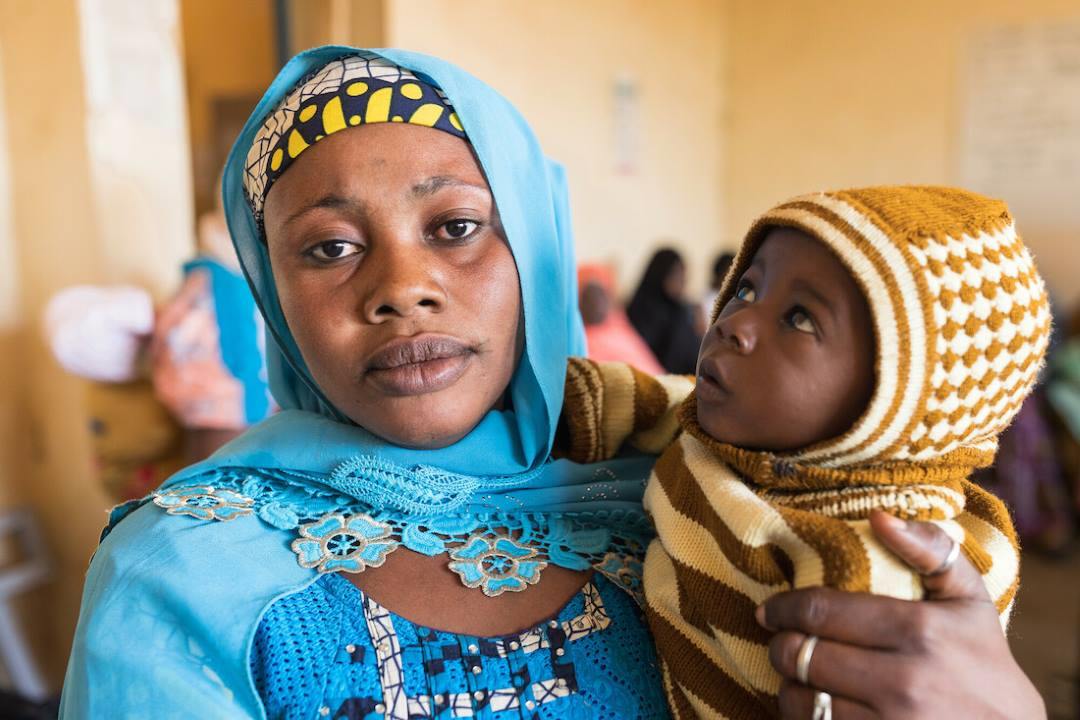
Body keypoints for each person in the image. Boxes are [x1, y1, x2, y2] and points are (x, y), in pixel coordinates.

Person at [61, 48, 1046, 720]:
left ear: (533, 247)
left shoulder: (690, 487)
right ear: (274, 297)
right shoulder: (182, 572)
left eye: (455, 228)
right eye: (329, 247)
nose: (403, 290)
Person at [561, 187, 1050, 719]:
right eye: (746, 291)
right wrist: (578, 400)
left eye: (799, 319)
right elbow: (665, 400)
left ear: (897, 402)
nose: (733, 324)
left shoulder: (871, 548)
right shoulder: (734, 430)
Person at [627, 248, 701, 374]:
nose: (682, 281)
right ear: (661, 274)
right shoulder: (642, 310)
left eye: (683, 274)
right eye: (676, 274)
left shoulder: (681, 309)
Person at [578, 263, 663, 373]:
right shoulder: (578, 341)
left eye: (601, 294)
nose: (596, 303)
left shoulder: (621, 330)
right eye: (589, 296)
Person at [695, 251, 735, 337]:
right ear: (720, 272)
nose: (733, 278)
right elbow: (702, 331)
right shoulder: (704, 299)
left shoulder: (733, 299)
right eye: (730, 273)